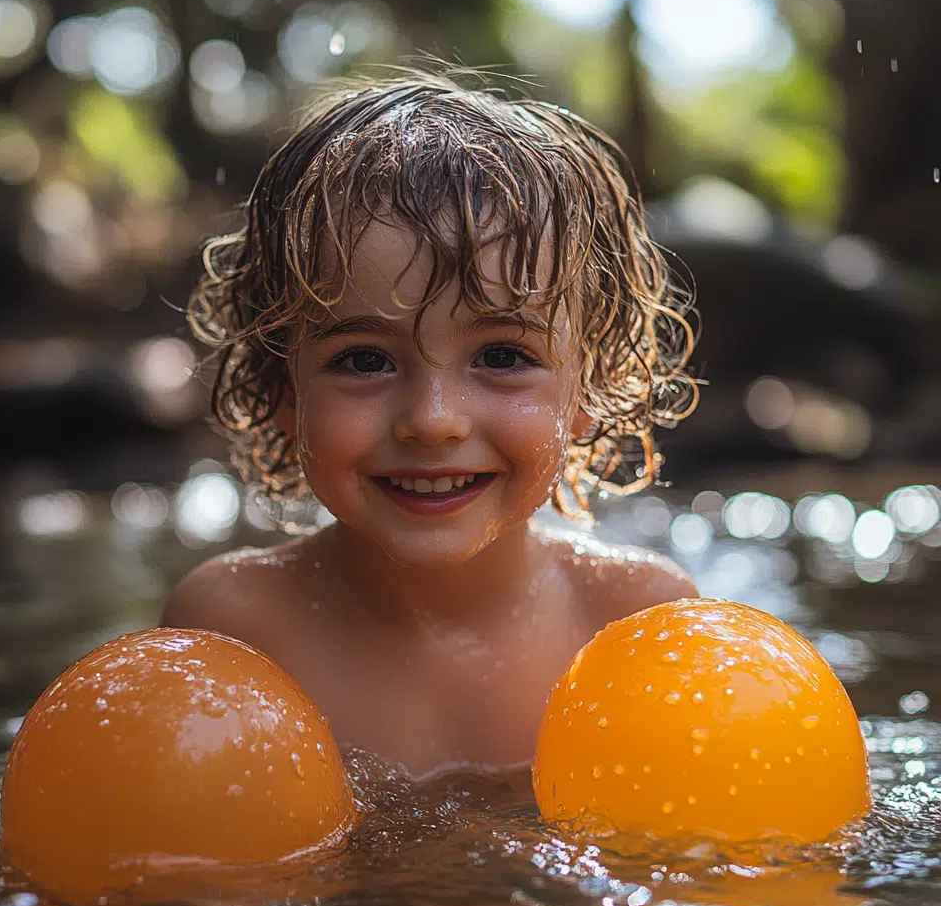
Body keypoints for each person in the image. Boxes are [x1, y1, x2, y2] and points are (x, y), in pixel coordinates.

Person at [162, 71, 700, 777]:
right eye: (363, 361)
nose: (433, 420)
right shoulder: (237, 630)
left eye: (503, 355)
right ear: (279, 384)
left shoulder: (635, 624)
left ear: (587, 385)